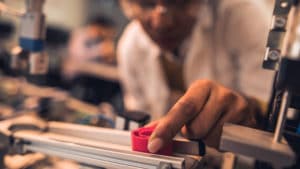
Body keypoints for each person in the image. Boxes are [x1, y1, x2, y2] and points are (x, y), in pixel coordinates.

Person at [117, 0, 274, 148]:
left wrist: (247, 112)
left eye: (178, 3)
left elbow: (270, 111)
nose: (162, 23)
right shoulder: (130, 46)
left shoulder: (243, 16)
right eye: (146, 3)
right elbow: (141, 125)